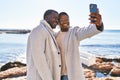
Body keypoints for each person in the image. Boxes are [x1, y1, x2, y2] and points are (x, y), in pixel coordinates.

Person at [55, 11, 104, 80]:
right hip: (57, 74)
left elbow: (86, 31)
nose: (65, 22)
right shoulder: (55, 36)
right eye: (62, 20)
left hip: (70, 75)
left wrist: (98, 25)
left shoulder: (74, 32)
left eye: (67, 19)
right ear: (58, 22)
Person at [26, 9, 61, 80]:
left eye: (58, 19)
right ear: (46, 18)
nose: (57, 21)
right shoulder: (38, 30)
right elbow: (39, 59)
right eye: (54, 18)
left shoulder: (48, 32)